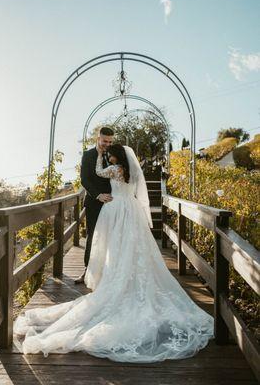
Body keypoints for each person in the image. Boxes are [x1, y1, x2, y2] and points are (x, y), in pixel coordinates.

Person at [14, 143, 214, 363]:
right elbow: (137, 192)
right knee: (135, 246)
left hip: (116, 209)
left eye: (110, 154)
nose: (108, 156)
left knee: (115, 245)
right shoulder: (133, 172)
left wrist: (99, 156)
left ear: (117, 156)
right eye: (106, 154)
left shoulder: (112, 169)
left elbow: (98, 172)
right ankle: (131, 276)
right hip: (133, 210)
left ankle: (117, 276)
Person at [74, 127, 114, 284]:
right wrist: (98, 195)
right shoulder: (88, 155)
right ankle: (87, 271)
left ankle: (108, 272)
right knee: (92, 237)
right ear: (98, 138)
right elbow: (84, 179)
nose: (107, 144)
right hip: (94, 203)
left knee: (111, 237)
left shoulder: (114, 154)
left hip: (112, 203)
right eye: (105, 141)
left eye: (110, 141)